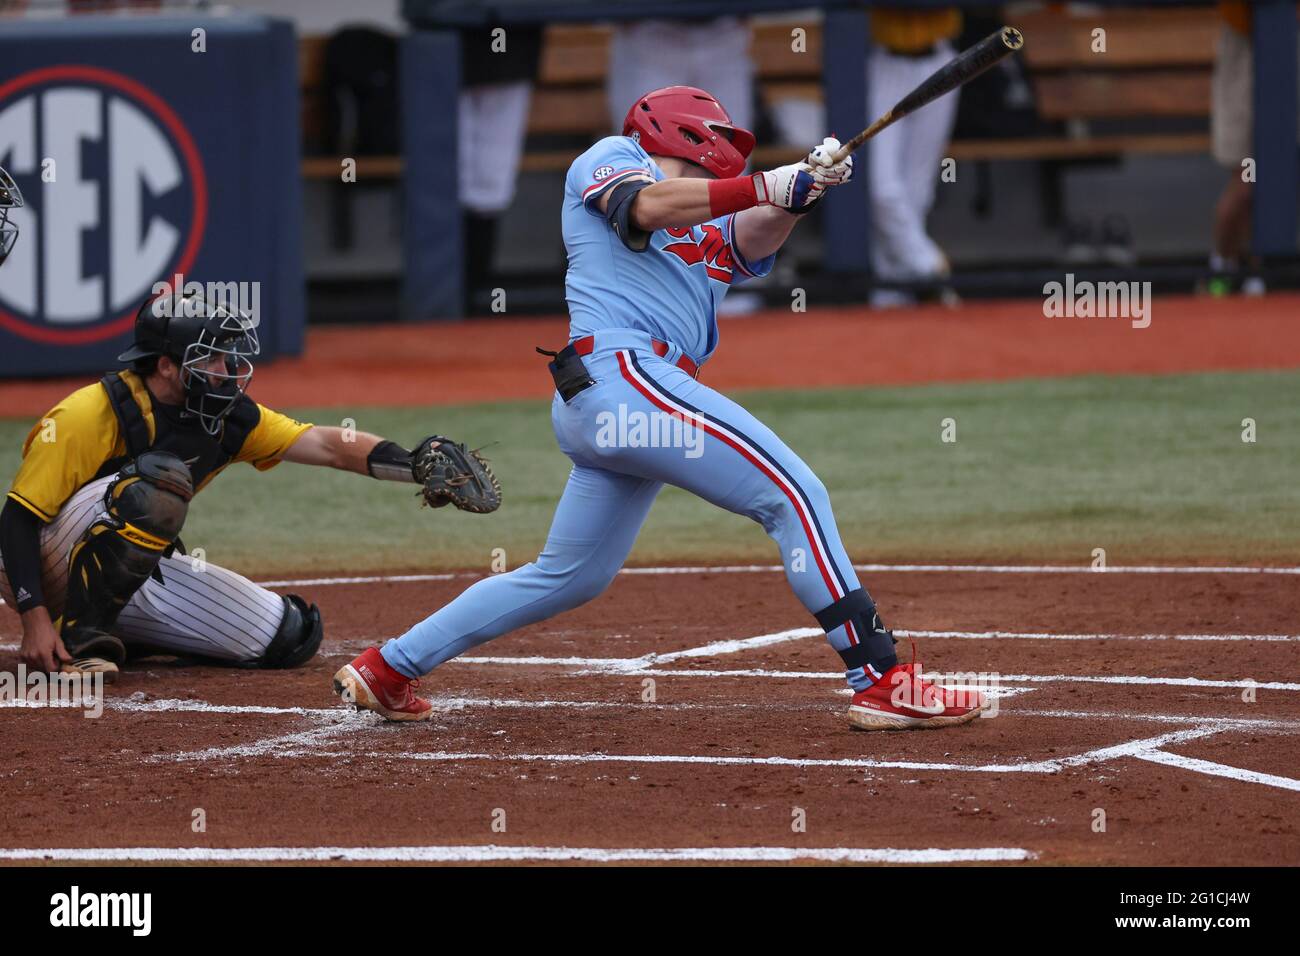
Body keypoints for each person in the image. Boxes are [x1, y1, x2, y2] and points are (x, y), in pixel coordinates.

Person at [334, 86, 989, 732]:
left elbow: (753, 241)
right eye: (719, 140)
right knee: (794, 495)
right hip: (624, 375)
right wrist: (768, 183)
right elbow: (643, 208)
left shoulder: (706, 216)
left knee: (569, 576)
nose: (724, 155)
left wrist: (805, 192)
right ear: (682, 129)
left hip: (616, 401)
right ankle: (880, 679)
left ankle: (389, 667)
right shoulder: (613, 156)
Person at [0, 287, 494, 681]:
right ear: (166, 366)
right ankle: (80, 641)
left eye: (227, 356)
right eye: (210, 358)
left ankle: (134, 630)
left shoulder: (230, 420)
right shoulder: (92, 412)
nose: (227, 369)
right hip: (38, 559)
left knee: (289, 637)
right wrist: (33, 618)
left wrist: (411, 463)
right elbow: (18, 518)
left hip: (123, 563)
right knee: (159, 483)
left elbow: (324, 444)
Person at [865, 7, 963, 306]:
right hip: (888, 63)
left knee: (917, 190)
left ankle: (895, 290)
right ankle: (929, 267)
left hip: (939, 61)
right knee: (882, 187)